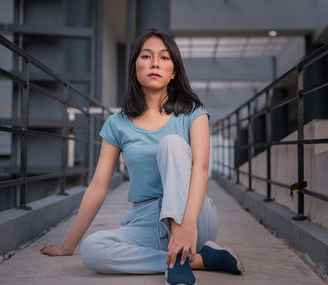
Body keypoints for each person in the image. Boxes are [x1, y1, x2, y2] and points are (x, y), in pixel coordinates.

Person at [40, 28, 244, 285]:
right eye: (146, 56)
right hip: (148, 221)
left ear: (174, 72)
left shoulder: (193, 113)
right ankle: (196, 260)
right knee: (93, 250)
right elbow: (98, 187)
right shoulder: (118, 123)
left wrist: (189, 224)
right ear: (135, 67)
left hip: (195, 214)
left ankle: (182, 251)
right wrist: (68, 246)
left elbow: (201, 168)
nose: (155, 63)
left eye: (164, 57)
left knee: (171, 143)